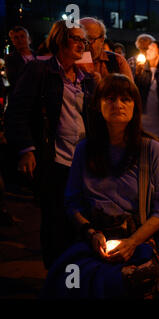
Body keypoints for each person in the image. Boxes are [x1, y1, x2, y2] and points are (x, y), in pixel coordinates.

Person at [42, 74, 159, 298]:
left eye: (126, 99)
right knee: (67, 278)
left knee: (119, 281)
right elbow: (72, 202)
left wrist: (132, 242)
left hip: (140, 239)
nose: (118, 105)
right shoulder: (85, 148)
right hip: (95, 238)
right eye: (110, 98)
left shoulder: (151, 149)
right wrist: (90, 232)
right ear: (98, 105)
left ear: (135, 105)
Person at [4, 20, 96, 269]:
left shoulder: (84, 78)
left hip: (82, 163)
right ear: (60, 40)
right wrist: (27, 149)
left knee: (78, 222)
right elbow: (17, 112)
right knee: (55, 222)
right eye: (76, 38)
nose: (82, 44)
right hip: (53, 161)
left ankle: (74, 276)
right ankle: (55, 277)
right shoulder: (39, 70)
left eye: (84, 40)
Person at [134, 41, 159, 151]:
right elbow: (136, 90)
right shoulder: (142, 70)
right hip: (143, 118)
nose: (148, 51)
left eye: (151, 49)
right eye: (148, 49)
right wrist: (137, 72)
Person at [79, 17, 133, 82]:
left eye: (90, 39)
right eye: (80, 39)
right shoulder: (70, 60)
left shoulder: (117, 61)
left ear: (102, 40)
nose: (84, 44)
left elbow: (129, 90)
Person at [5, 26, 36, 92]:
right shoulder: (10, 58)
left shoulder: (39, 55)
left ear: (29, 39)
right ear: (13, 41)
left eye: (22, 36)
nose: (20, 40)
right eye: (16, 38)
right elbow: (13, 80)